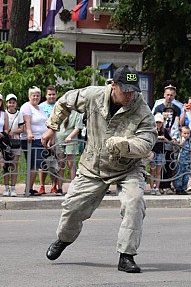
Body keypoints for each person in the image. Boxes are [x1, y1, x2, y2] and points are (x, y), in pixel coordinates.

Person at [43, 66, 156, 273]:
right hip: (93, 164)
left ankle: (126, 255)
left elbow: (147, 142)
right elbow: (65, 101)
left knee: (134, 202)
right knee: (72, 208)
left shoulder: (142, 110)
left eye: (133, 91)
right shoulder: (93, 95)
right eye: (125, 90)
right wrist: (52, 127)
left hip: (128, 166)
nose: (130, 95)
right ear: (113, 86)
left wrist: (125, 145)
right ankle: (64, 239)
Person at [21, 86, 49, 196]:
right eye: (34, 95)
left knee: (36, 165)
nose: (36, 97)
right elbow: (27, 122)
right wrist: (29, 133)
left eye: (38, 95)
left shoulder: (39, 108)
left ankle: (30, 188)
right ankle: (28, 189)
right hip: (31, 140)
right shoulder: (26, 107)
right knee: (33, 164)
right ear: (29, 96)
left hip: (41, 139)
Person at [53, 109, 84, 196]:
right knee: (60, 164)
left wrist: (70, 136)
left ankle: (72, 188)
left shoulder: (76, 113)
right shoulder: (59, 111)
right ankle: (59, 188)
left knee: (71, 165)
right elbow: (53, 126)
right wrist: (52, 140)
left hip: (71, 141)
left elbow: (77, 128)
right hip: (59, 140)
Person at [38, 85, 58, 195]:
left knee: (54, 164)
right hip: (43, 138)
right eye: (49, 94)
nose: (51, 96)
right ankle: (42, 186)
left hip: (56, 138)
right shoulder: (40, 107)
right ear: (46, 95)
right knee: (43, 165)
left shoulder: (59, 106)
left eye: (53, 94)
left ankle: (54, 186)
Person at [2, 93, 23, 197]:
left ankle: (13, 187)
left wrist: (13, 131)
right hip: (5, 141)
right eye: (10, 102)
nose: (11, 104)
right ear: (6, 103)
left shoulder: (19, 114)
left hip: (15, 141)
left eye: (13, 102)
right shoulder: (3, 113)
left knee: (14, 164)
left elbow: (22, 128)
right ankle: (6, 187)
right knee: (6, 165)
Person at [172, 126, 191, 195]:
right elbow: (174, 147)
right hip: (179, 160)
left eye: (188, 133)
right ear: (181, 133)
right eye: (185, 133)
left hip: (187, 161)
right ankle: (178, 188)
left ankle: (184, 188)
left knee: (186, 175)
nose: (186, 135)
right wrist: (180, 144)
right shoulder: (178, 140)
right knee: (179, 174)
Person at [149, 112, 171, 195]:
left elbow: (169, 140)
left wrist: (164, 138)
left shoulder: (164, 131)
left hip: (161, 153)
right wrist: (157, 137)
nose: (158, 124)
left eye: (159, 122)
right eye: (156, 122)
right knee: (152, 171)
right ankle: (151, 188)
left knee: (158, 171)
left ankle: (157, 188)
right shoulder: (151, 130)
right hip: (152, 152)